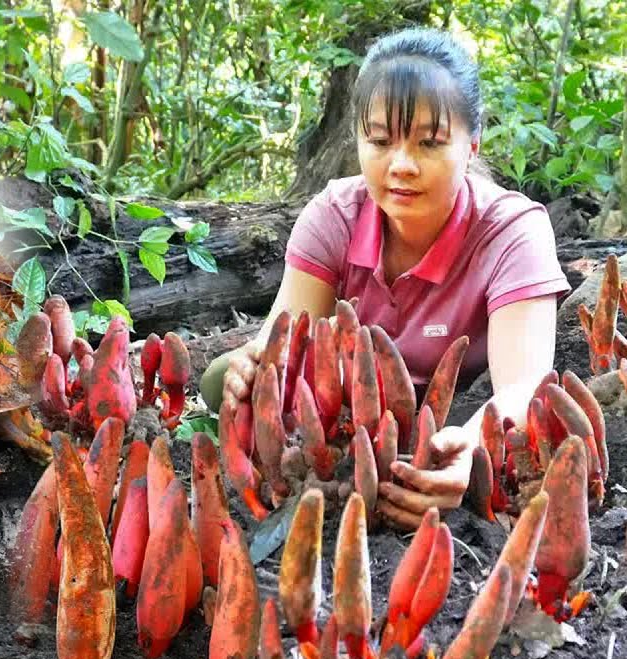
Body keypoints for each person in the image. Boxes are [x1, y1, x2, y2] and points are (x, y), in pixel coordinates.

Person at [198, 27, 569, 530]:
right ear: (357, 140)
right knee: (223, 380)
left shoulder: (512, 230)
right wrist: (255, 367)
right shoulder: (334, 214)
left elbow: (523, 387)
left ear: (472, 146)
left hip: (456, 409)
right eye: (379, 140)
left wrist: (475, 447)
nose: (402, 165)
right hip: (351, 412)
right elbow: (282, 341)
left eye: (430, 143)